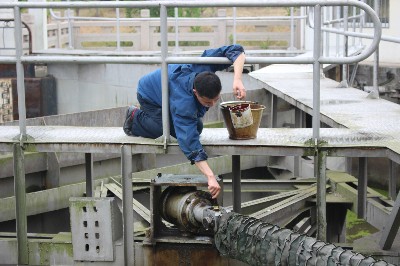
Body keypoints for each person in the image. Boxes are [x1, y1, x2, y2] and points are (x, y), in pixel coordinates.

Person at [123, 44, 247, 199]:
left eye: (216, 99)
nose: (213, 105)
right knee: (164, 129)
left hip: (169, 90)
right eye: (208, 103)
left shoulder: (205, 66)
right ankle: (134, 119)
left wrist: (238, 79)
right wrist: (210, 176)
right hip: (150, 95)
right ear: (195, 93)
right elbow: (189, 143)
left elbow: (236, 51)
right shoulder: (184, 104)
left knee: (198, 127)